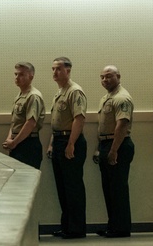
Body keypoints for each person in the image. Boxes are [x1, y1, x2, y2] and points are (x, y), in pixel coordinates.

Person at [48, 57, 87, 239]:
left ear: (68, 71)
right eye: (53, 69)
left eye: (58, 69)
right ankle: (67, 226)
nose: (55, 72)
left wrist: (71, 143)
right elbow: (57, 121)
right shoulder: (60, 92)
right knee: (62, 188)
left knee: (73, 187)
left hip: (70, 141)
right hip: (59, 140)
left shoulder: (74, 91)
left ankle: (76, 228)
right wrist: (52, 143)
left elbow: (79, 119)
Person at [93, 65, 134, 238]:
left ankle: (121, 228)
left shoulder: (122, 98)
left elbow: (122, 125)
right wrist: (99, 148)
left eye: (109, 76)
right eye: (102, 77)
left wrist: (114, 150)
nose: (105, 80)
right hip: (106, 144)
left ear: (118, 76)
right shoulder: (106, 98)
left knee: (118, 189)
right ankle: (113, 225)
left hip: (118, 145)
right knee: (109, 189)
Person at [2, 61, 44, 170]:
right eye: (15, 74)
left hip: (28, 145)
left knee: (26, 178)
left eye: (21, 74)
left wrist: (14, 142)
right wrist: (9, 139)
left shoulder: (33, 96)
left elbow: (31, 123)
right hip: (17, 143)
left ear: (31, 77)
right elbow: (15, 121)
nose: (17, 77)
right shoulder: (20, 96)